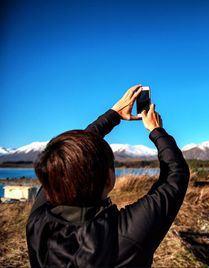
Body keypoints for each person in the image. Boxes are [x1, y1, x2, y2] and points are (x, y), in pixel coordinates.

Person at [26, 85, 190, 267]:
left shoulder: (37, 222)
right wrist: (156, 130)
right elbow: (176, 176)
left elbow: (68, 156)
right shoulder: (125, 234)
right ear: (109, 178)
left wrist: (113, 114)